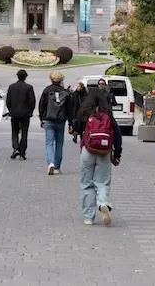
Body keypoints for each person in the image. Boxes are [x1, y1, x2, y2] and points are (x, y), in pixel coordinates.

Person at [74, 89, 122, 226]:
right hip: (104, 152)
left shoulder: (85, 114)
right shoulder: (108, 116)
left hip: (87, 151)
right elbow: (117, 136)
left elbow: (76, 126)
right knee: (103, 182)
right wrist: (117, 154)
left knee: (87, 184)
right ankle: (103, 203)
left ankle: (89, 217)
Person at [38, 71, 71, 175]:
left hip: (48, 119)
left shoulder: (47, 90)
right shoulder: (65, 92)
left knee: (49, 143)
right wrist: (70, 123)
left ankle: (50, 162)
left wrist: (41, 118)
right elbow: (69, 109)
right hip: (61, 120)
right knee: (59, 144)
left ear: (51, 79)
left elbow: (41, 105)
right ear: (61, 79)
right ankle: (57, 167)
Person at [6, 69, 35, 160]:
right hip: (25, 113)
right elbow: (32, 101)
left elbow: (8, 100)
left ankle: (15, 147)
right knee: (24, 132)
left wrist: (10, 109)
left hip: (14, 113)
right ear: (25, 77)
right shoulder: (29, 87)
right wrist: (30, 111)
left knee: (14, 131)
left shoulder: (11, 87)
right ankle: (22, 150)